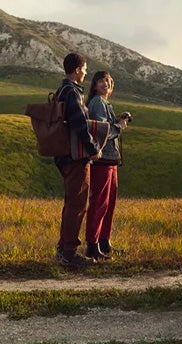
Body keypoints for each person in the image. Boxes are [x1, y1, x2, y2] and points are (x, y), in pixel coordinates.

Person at [54, 53, 103, 267]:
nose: (85, 72)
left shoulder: (62, 90)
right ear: (76, 70)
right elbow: (79, 124)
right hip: (75, 158)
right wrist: (93, 148)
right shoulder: (72, 92)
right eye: (84, 68)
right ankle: (69, 252)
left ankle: (64, 248)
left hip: (64, 155)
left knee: (71, 202)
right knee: (77, 204)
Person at [84, 71, 127, 260]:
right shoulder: (98, 103)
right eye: (101, 81)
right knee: (100, 202)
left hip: (110, 160)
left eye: (108, 81)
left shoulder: (103, 103)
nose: (106, 84)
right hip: (102, 160)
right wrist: (119, 126)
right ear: (94, 85)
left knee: (108, 202)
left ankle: (104, 242)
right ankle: (93, 245)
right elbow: (100, 130)